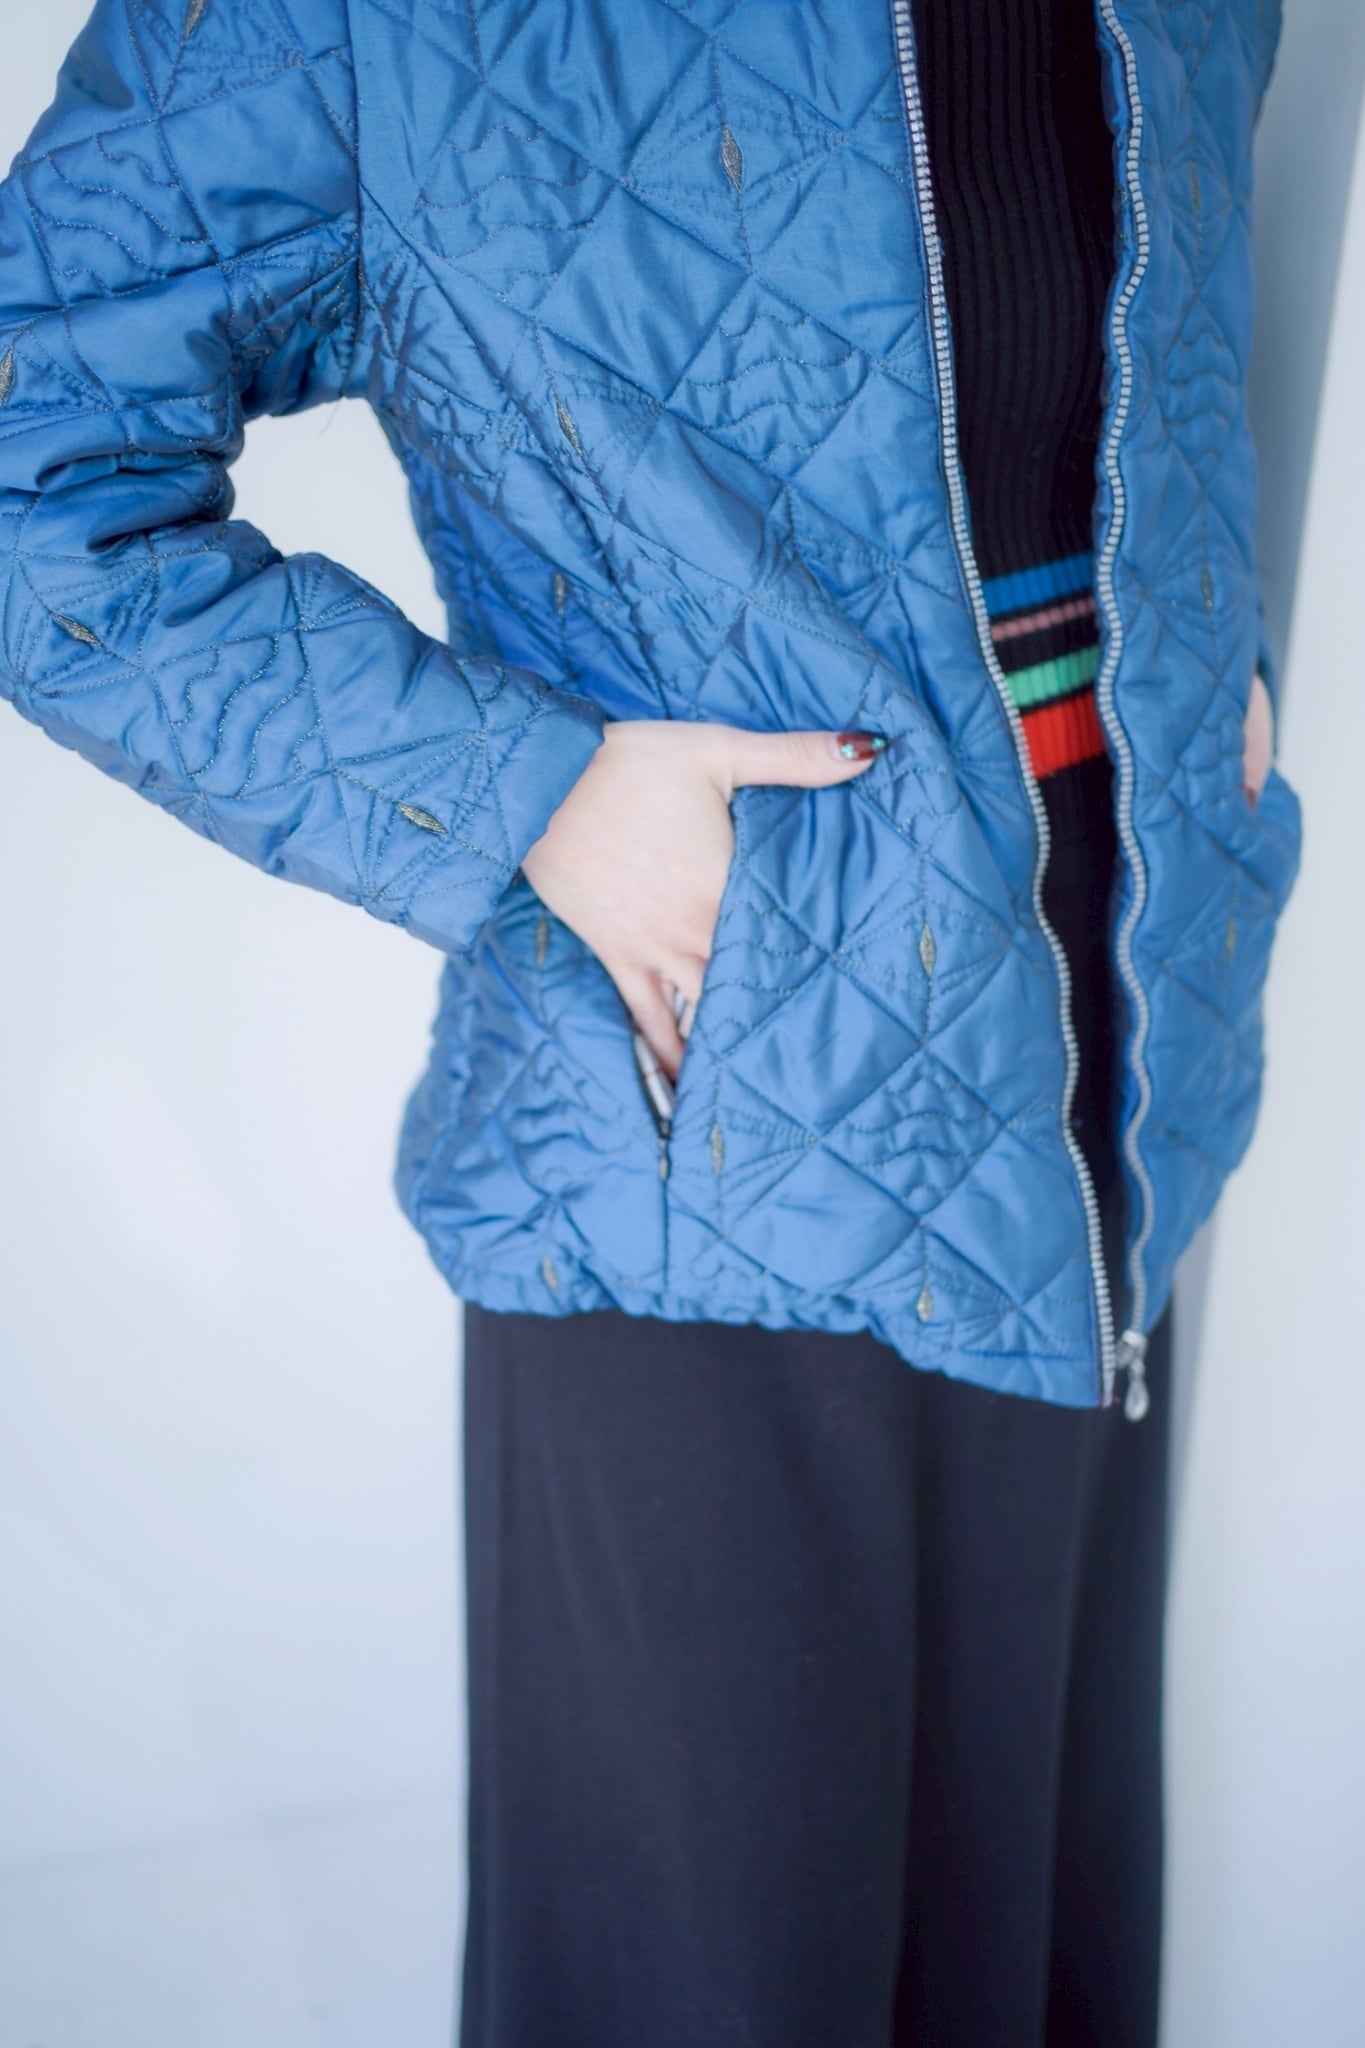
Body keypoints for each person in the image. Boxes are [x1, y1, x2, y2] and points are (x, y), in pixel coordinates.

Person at [0, 1, 1300, 2043]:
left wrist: (1208, 657)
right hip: (700, 1096)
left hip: (1120, 1046)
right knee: (708, 1978)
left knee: (1033, 1953)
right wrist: (525, 794)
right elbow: (32, 451)